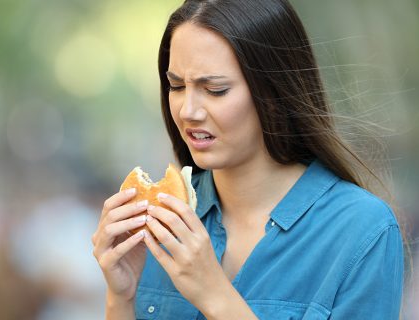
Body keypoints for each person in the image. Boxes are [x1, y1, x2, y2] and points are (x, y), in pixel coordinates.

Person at [92, 0, 404, 319]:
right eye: (176, 86)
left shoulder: (362, 230)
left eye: (215, 90)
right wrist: (121, 298)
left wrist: (215, 296)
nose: (188, 111)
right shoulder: (161, 222)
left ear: (274, 90)